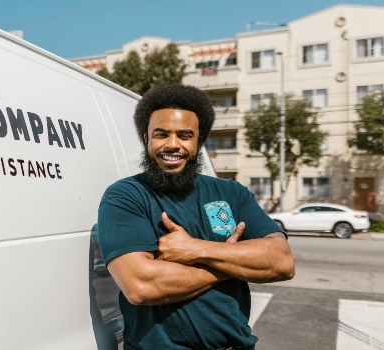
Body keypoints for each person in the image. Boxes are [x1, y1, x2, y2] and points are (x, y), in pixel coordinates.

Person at [97, 84, 295, 350]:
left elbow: (281, 261)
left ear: (199, 142)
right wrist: (229, 262)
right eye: (161, 134)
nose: (172, 145)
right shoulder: (125, 196)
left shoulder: (231, 193)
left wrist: (196, 249)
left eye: (185, 135)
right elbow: (141, 285)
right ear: (146, 139)